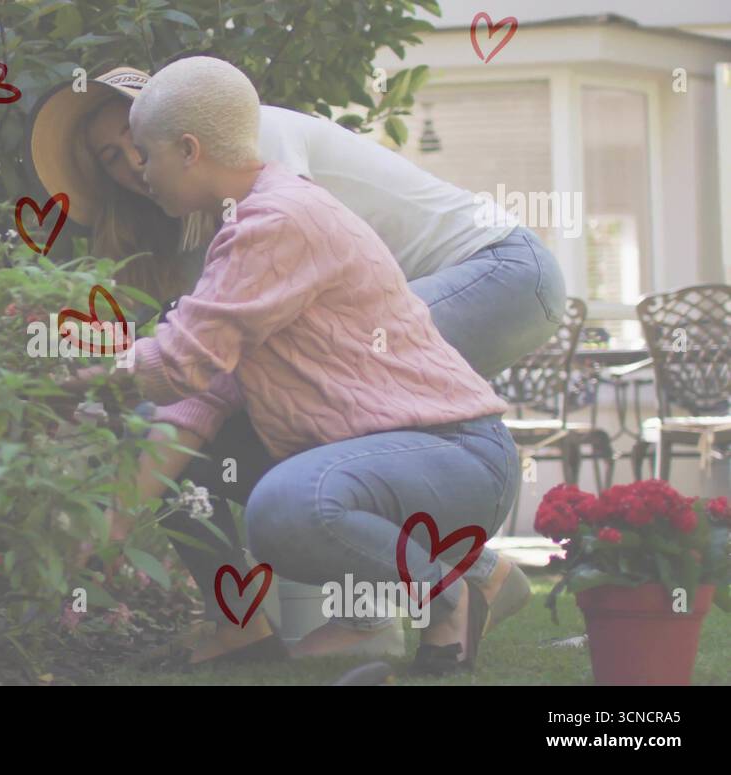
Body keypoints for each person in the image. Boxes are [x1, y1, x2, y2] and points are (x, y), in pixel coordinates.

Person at [29, 63, 559, 663]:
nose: (138, 170)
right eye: (116, 157)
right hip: (409, 459)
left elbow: (182, 359)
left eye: (144, 151)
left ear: (187, 147)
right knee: (219, 454)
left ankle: (442, 593)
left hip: (462, 419)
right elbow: (199, 390)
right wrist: (116, 522)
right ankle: (262, 622)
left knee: (287, 506)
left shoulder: (275, 214)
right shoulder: (236, 230)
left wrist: (79, 381)